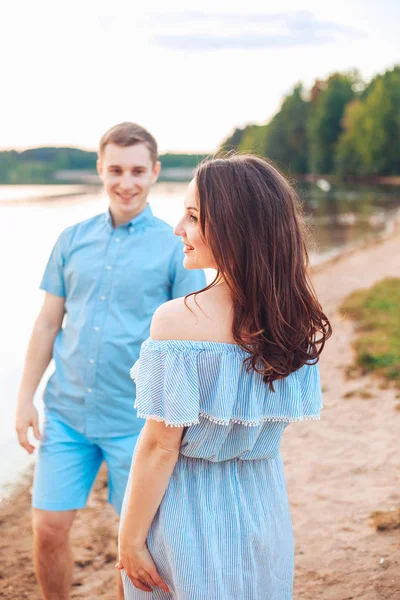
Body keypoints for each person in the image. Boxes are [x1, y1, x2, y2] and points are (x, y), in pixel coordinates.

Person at [117, 154, 332, 599]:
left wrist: (130, 538)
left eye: (193, 216)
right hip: (263, 510)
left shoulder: (178, 321)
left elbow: (160, 446)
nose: (179, 228)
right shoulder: (294, 321)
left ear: (235, 227)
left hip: (188, 512)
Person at [15, 122, 206, 600]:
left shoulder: (175, 246)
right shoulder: (70, 238)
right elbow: (46, 323)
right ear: (100, 169)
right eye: (116, 169)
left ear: (155, 173)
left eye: (138, 171)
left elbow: (191, 336)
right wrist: (24, 398)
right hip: (67, 414)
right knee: (48, 529)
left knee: (134, 542)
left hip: (137, 422)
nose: (127, 182)